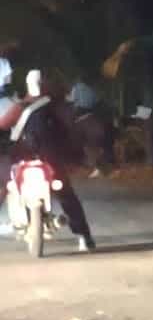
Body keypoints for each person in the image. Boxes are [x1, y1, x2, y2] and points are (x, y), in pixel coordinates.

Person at [11, 69, 95, 251]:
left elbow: (4, 126)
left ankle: (83, 236)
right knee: (66, 195)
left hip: (30, 159)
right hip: (50, 160)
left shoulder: (23, 106)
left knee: (15, 187)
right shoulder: (56, 105)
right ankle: (84, 236)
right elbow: (70, 132)